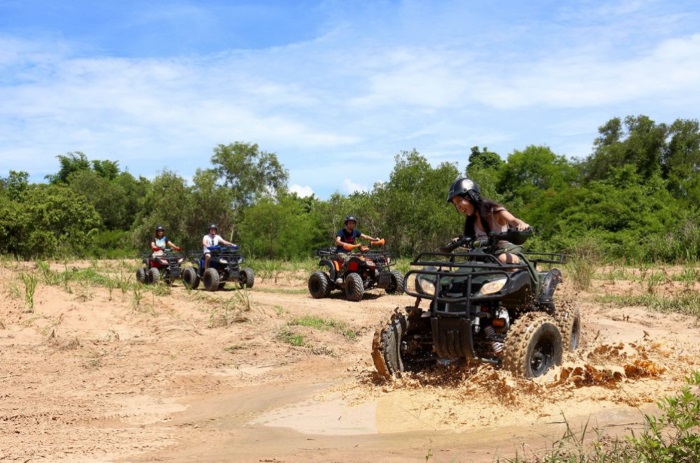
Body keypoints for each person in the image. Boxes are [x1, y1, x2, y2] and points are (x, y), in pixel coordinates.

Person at [446, 177, 530, 266]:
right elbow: (471, 239)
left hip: (507, 251)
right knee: (468, 266)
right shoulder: (471, 219)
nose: (458, 207)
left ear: (470, 196)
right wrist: (460, 240)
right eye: (455, 204)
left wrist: (522, 225)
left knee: (503, 259)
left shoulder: (493, 211)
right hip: (487, 254)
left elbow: (513, 220)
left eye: (459, 201)